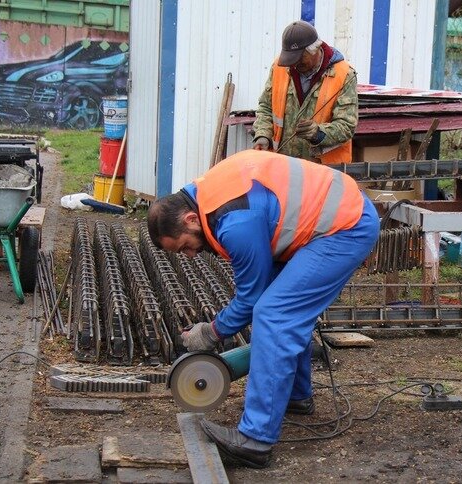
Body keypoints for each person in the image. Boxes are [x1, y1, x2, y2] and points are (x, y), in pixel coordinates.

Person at [147, 150, 379, 468]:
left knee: (274, 313)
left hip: (345, 226)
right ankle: (297, 397)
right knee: (282, 309)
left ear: (189, 219)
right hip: (330, 219)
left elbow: (251, 298)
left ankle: (255, 440)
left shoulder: (234, 223)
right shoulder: (207, 198)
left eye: (185, 246)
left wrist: (210, 333)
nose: (189, 255)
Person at [251, 20, 358, 165]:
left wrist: (318, 133)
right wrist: (263, 135)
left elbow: (347, 125)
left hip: (323, 173)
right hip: (283, 167)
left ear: (314, 49)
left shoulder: (344, 74)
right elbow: (266, 107)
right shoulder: (279, 68)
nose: (294, 64)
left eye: (299, 58)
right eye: (291, 58)